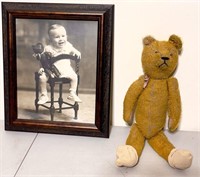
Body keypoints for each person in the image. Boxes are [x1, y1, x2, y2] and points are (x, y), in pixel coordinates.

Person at [37, 24, 82, 104]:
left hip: (66, 69)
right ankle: (44, 95)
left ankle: (72, 93)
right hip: (52, 71)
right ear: (50, 39)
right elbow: (43, 60)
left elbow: (74, 51)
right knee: (42, 78)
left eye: (63, 36)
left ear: (66, 36)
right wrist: (42, 68)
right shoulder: (48, 48)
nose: (61, 39)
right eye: (57, 37)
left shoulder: (68, 45)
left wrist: (77, 52)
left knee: (74, 77)